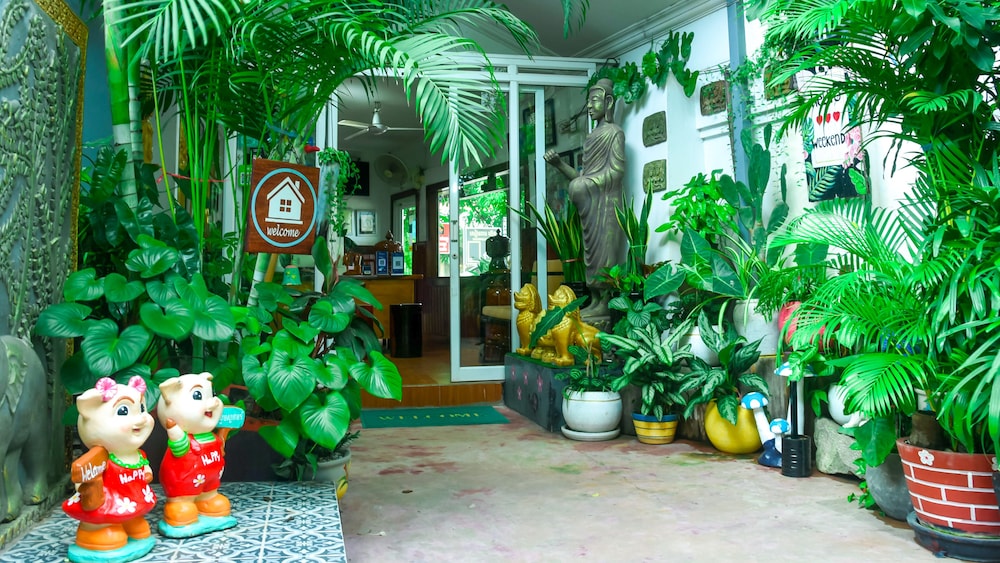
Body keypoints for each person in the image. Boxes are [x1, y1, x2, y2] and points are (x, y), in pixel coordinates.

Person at [544, 78, 625, 319]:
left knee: (605, 254)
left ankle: (605, 301)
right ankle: (596, 299)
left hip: (607, 204)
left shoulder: (615, 133)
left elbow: (616, 172)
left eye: (594, 101)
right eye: (588, 102)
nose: (589, 106)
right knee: (591, 256)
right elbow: (582, 176)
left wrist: (584, 184)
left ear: (608, 102)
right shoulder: (591, 137)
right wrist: (559, 164)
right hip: (591, 206)